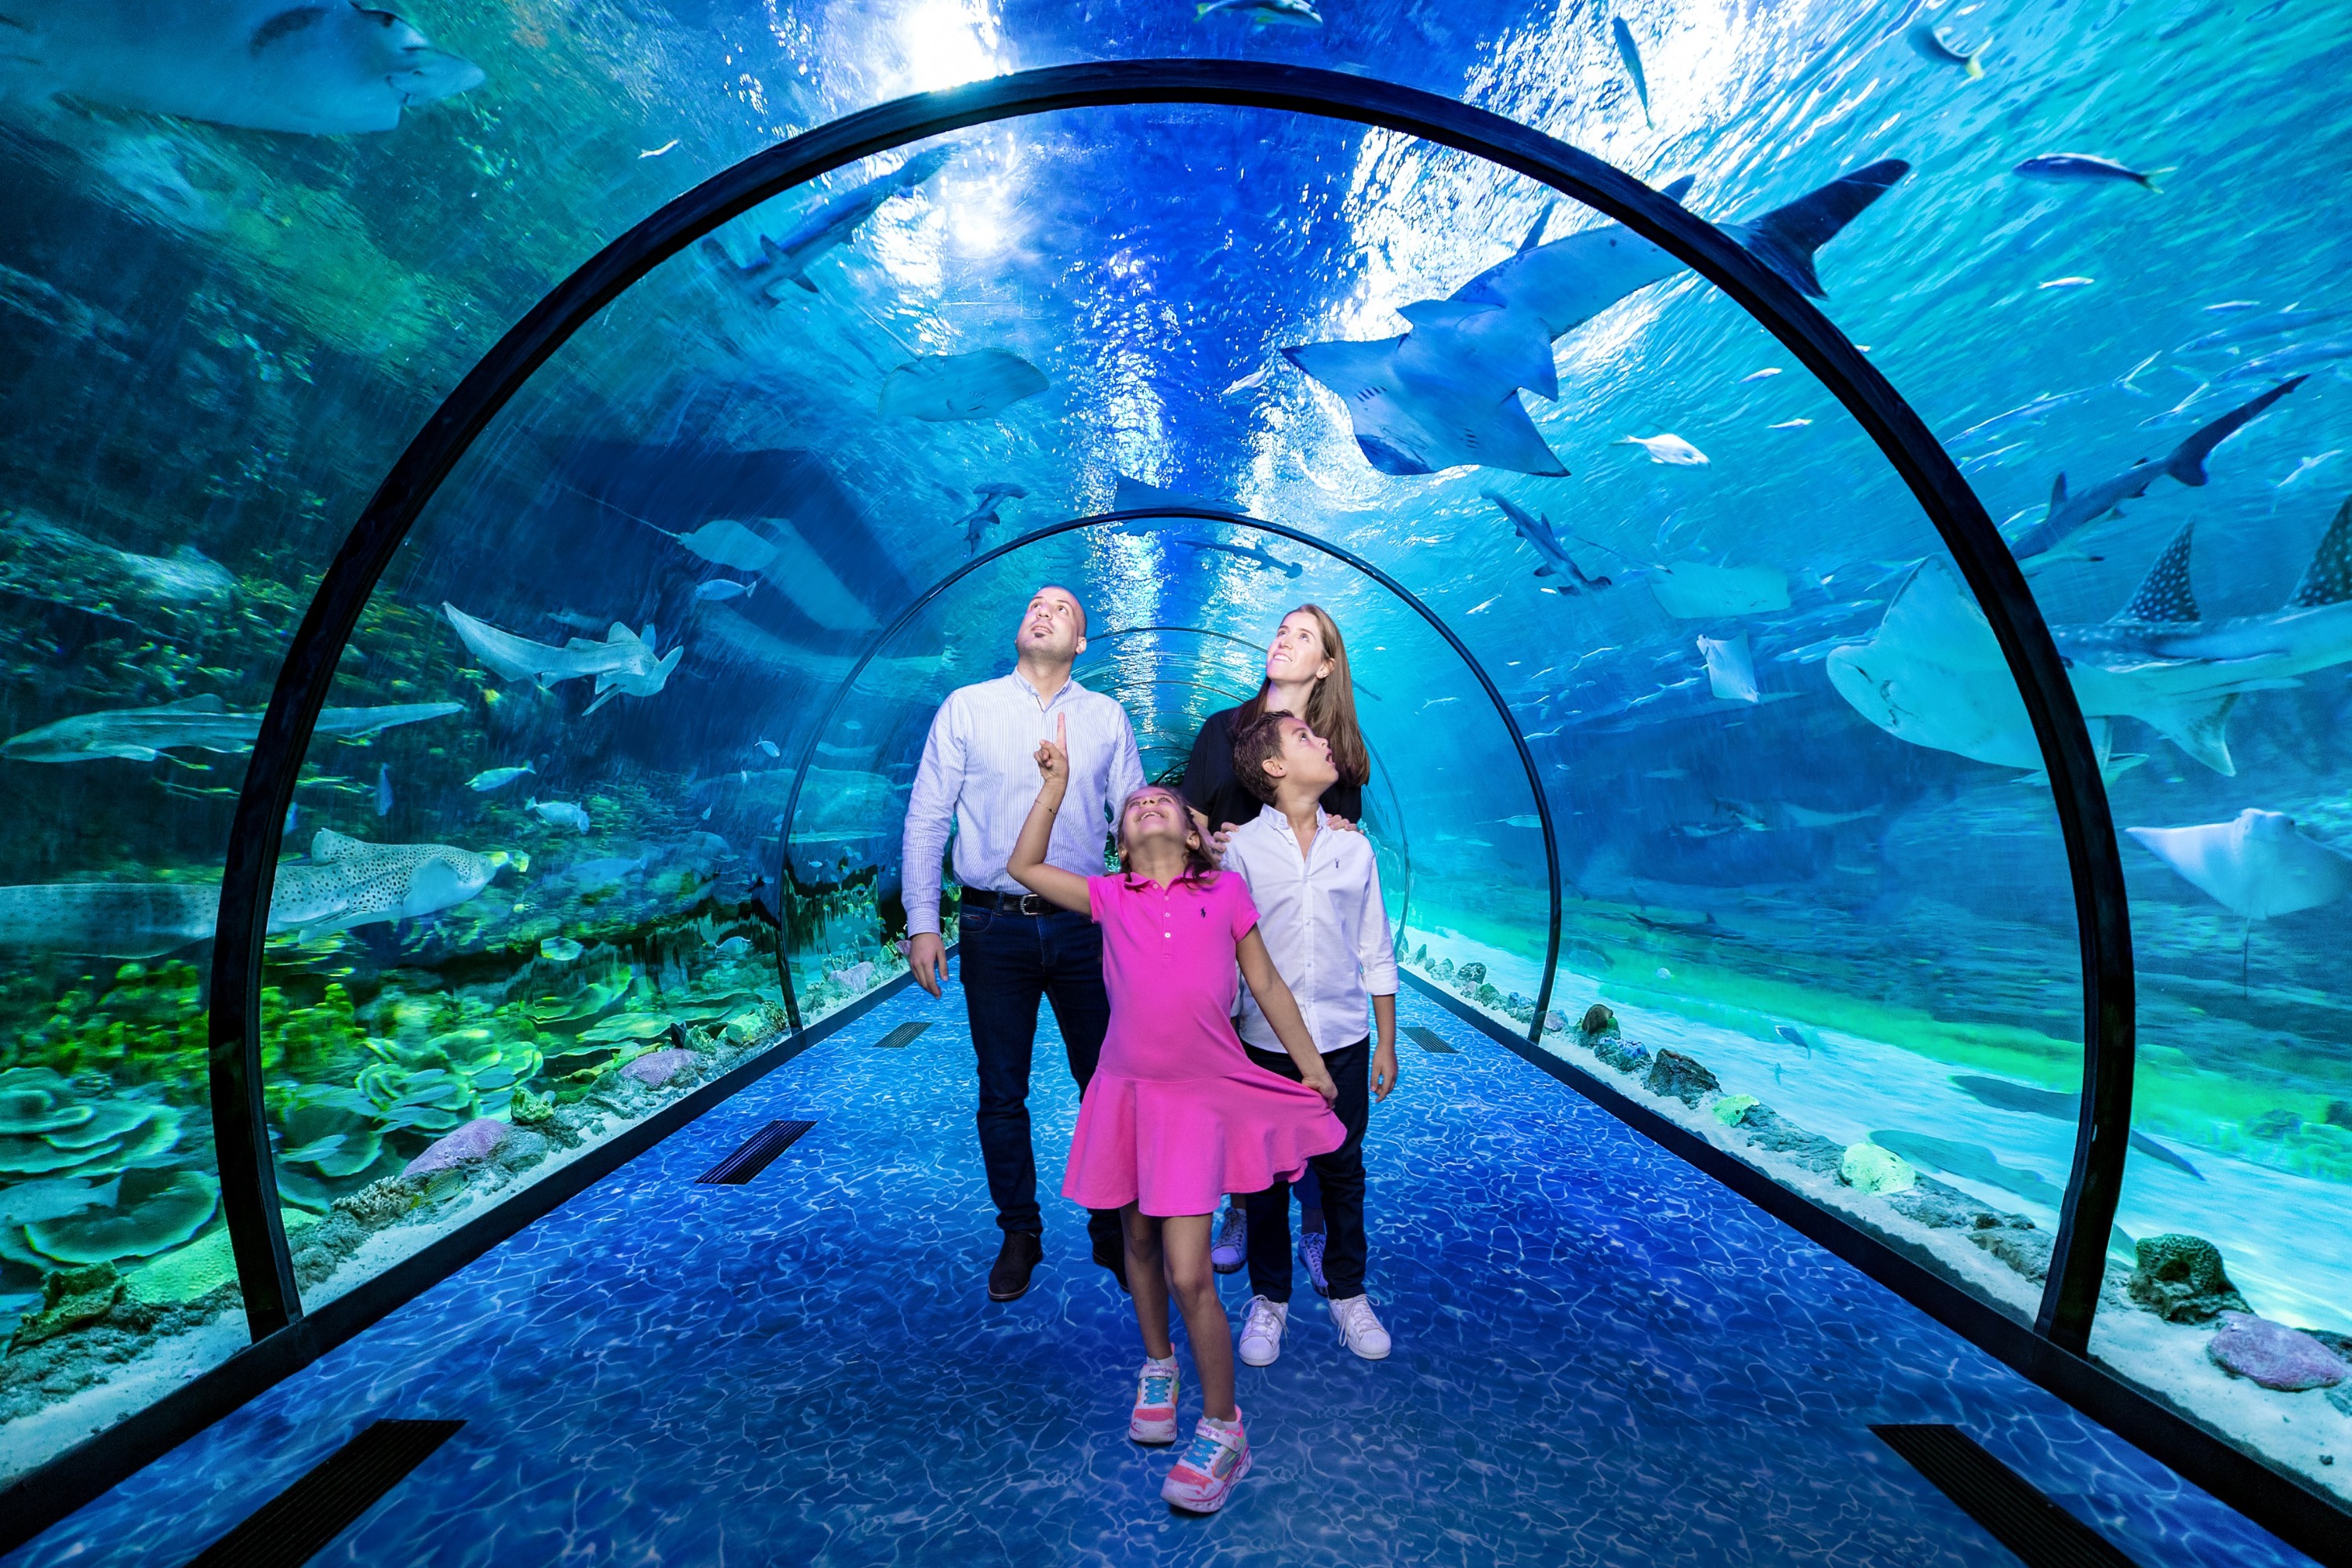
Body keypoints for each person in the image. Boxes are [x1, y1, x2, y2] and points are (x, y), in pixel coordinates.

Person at [1008, 722, 1341, 1515]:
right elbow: (1019, 866)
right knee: (1138, 1241)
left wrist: (1313, 1064)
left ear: (1197, 834)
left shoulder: (1224, 892)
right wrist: (1054, 790)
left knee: (1192, 1268)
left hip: (1198, 1097)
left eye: (1166, 801)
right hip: (1125, 1095)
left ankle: (1225, 1426)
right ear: (1120, 843)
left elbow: (1264, 983)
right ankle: (1158, 1363)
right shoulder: (1106, 896)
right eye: (1135, 806)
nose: (1150, 802)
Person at [902, 585, 1143, 1302]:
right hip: (989, 925)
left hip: (1082, 924)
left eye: (1062, 609)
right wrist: (923, 919)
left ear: (1080, 645)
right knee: (1001, 1090)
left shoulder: (1106, 717)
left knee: (1104, 1082)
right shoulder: (967, 707)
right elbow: (926, 817)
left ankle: (1113, 1226)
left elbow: (1135, 822)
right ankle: (1020, 1231)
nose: (1041, 609)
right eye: (1034, 602)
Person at [1178, 604, 1372, 1276]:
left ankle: (1314, 1224)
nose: (1282, 640)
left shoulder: (1331, 756)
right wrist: (1214, 843)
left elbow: (1344, 851)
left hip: (1306, 954)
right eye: (1280, 629)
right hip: (1230, 940)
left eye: (1303, 636)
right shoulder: (1221, 730)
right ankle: (1245, 1202)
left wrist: (1347, 835)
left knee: (1318, 1092)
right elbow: (1189, 825)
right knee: (1244, 1081)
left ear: (1326, 665)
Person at [1219, 710, 1400, 1366]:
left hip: (1347, 1038)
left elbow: (1375, 947)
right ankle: (1270, 1300)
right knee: (1264, 1177)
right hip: (1263, 1043)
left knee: (1343, 1170)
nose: (1324, 742)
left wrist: (1386, 1040)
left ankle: (1349, 1294)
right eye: (1305, 739)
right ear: (1273, 768)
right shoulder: (1239, 850)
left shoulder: (1354, 847)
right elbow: (1227, 955)